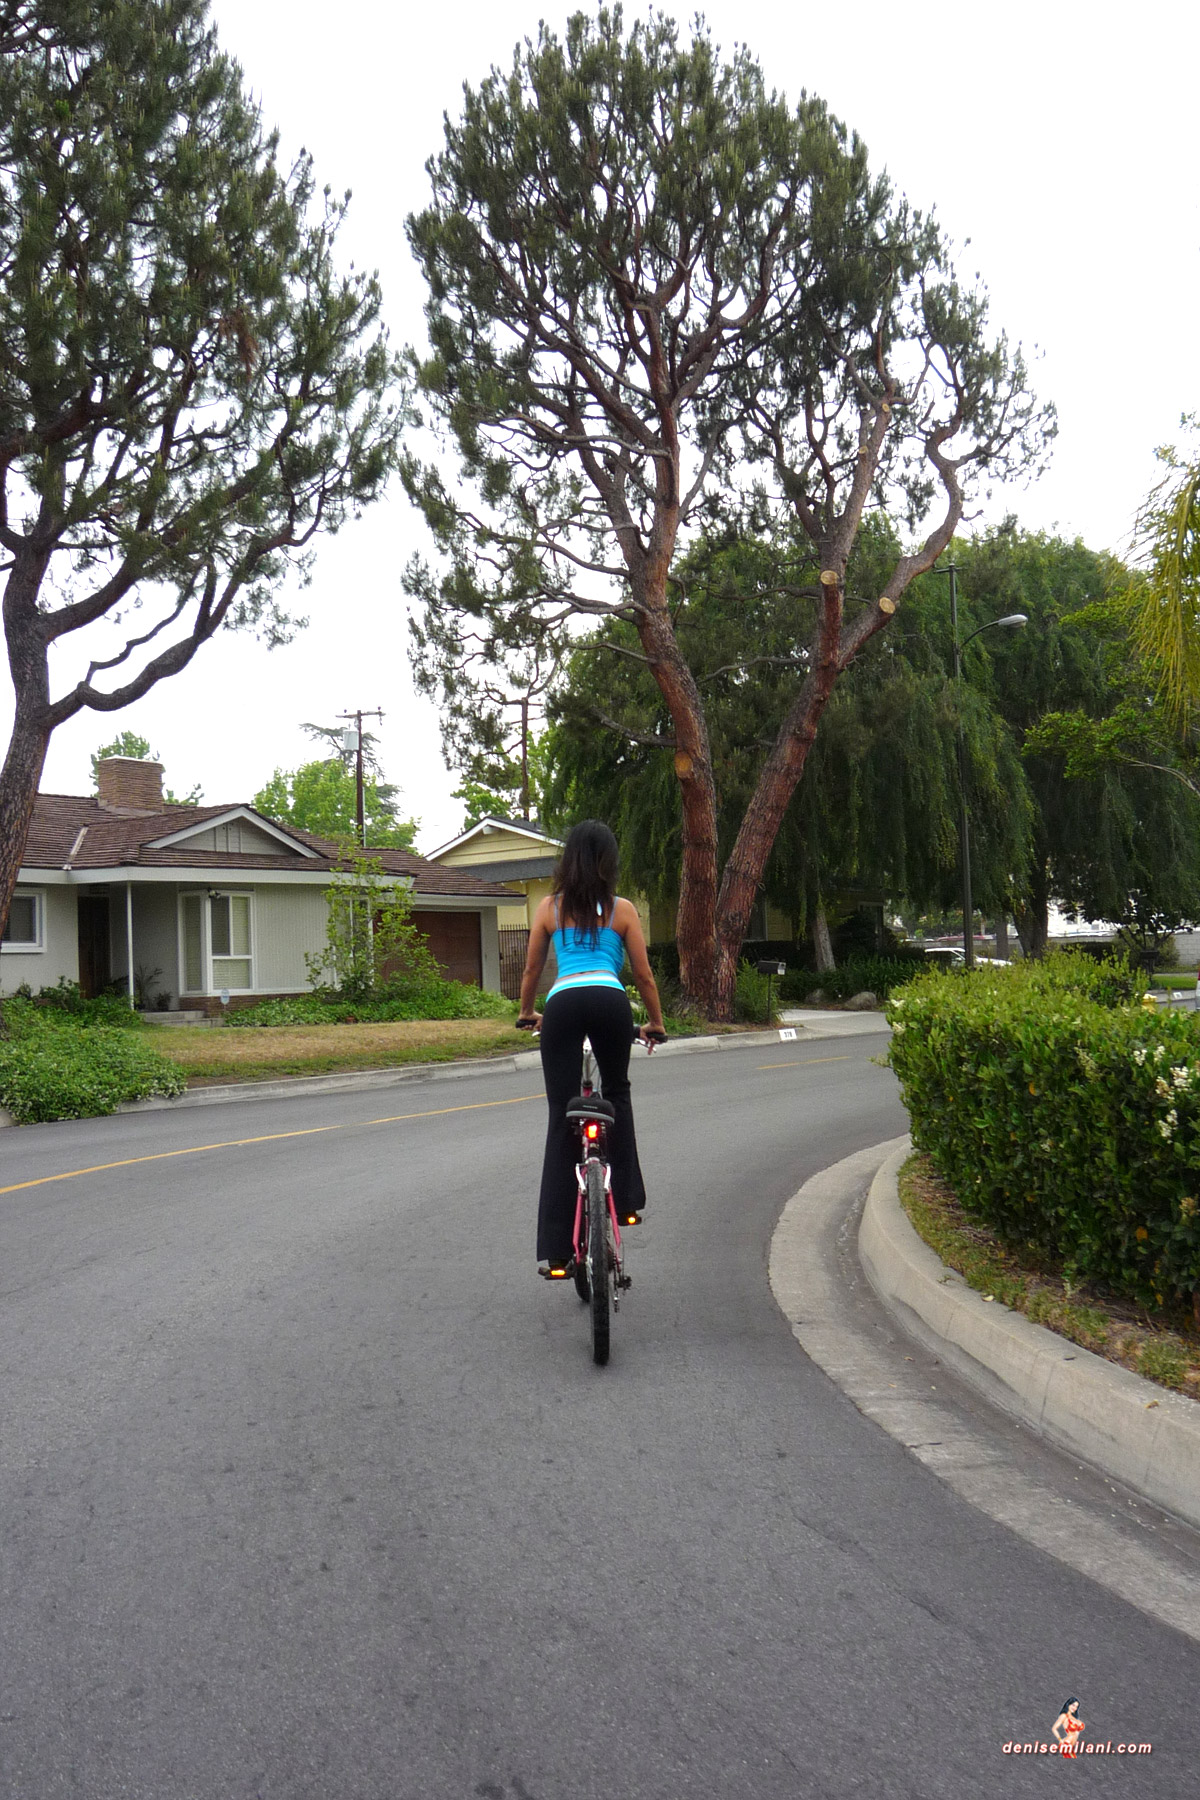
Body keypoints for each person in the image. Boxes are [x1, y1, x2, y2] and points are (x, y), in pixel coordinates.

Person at [516, 820, 667, 1276]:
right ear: (609, 862)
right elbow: (642, 975)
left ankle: (559, 1252)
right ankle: (626, 1204)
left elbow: (530, 971)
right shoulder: (622, 910)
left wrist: (528, 1013)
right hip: (609, 1002)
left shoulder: (549, 908)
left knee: (562, 1115)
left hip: (562, 1005)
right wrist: (654, 1023)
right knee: (617, 1095)